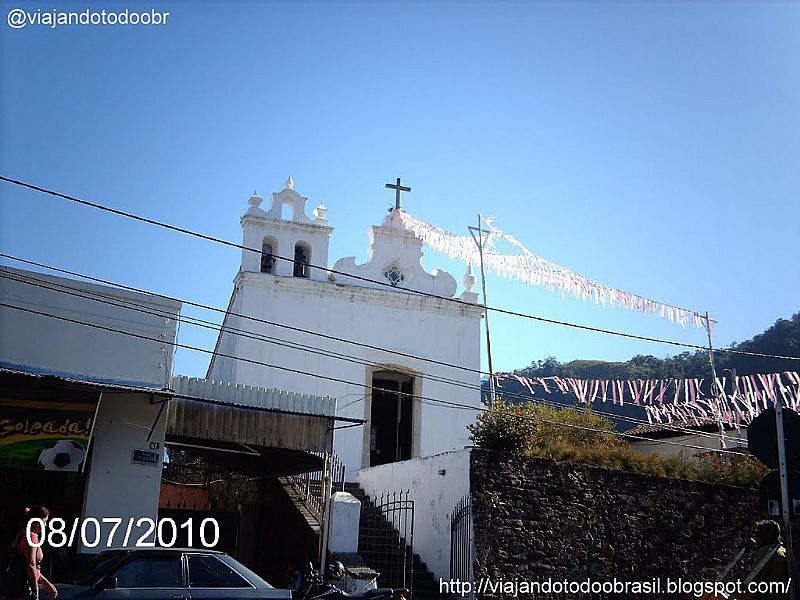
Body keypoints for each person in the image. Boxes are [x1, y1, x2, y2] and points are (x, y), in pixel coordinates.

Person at [8, 506, 58, 600]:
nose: (46, 525)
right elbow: (31, 564)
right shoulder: (31, 537)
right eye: (45, 521)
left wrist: (46, 583)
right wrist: (35, 591)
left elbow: (29, 566)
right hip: (24, 588)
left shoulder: (21, 534)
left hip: (14, 586)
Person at [748, 520, 789, 599]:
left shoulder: (765, 552)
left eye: (758, 534)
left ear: (764, 536)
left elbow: (754, 578)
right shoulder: (783, 550)